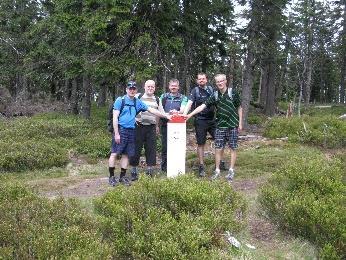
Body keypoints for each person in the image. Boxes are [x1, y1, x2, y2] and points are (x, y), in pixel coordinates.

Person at [108, 81, 171, 186]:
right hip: (121, 130)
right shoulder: (120, 100)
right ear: (126, 89)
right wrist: (117, 133)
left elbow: (152, 110)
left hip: (132, 130)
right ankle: (111, 177)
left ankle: (122, 177)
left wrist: (166, 116)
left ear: (136, 90)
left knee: (126, 155)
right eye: (130, 88)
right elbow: (115, 117)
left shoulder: (137, 102)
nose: (132, 90)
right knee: (114, 153)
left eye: (133, 89)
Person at [186, 74, 242, 181]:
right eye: (218, 82)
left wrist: (240, 123)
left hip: (232, 125)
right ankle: (217, 170)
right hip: (220, 125)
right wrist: (189, 115)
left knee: (233, 147)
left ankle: (231, 170)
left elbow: (239, 107)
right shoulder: (215, 95)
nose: (220, 83)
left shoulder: (232, 92)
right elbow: (202, 106)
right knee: (218, 148)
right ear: (216, 83)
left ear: (226, 81)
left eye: (222, 81)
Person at [183, 73, 216, 177]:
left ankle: (219, 162)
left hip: (212, 120)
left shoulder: (211, 89)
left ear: (206, 80)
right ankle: (201, 165)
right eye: (199, 79)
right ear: (197, 81)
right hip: (200, 120)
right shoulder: (195, 91)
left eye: (203, 78)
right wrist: (184, 115)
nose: (201, 80)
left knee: (219, 140)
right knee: (201, 143)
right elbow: (189, 103)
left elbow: (217, 102)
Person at [129, 80, 160, 180]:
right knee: (136, 148)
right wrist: (132, 119)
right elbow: (130, 107)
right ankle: (133, 170)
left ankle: (150, 170)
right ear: (144, 87)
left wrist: (157, 125)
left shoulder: (157, 99)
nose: (150, 88)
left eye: (152, 87)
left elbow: (159, 112)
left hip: (151, 127)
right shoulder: (138, 96)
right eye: (148, 86)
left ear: (154, 88)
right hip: (138, 126)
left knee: (151, 149)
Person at [158, 79, 188, 172]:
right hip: (165, 124)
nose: (173, 87)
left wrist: (177, 112)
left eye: (175, 86)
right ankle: (164, 167)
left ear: (178, 87)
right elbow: (159, 110)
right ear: (169, 86)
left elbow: (183, 110)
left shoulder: (183, 97)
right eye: (172, 86)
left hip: (178, 126)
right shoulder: (163, 96)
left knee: (177, 146)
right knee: (165, 146)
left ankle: (176, 166)